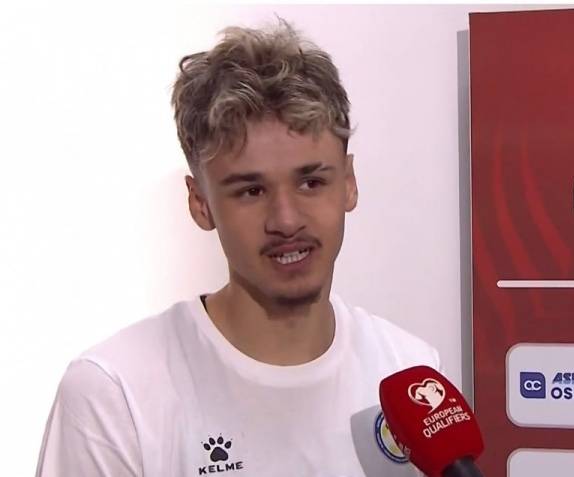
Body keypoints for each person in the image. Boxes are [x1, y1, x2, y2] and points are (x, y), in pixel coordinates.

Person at [35, 20, 441, 477]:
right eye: (251, 191)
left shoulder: (412, 372)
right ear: (200, 204)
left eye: (311, 182)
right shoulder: (114, 394)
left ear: (348, 183)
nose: (286, 220)